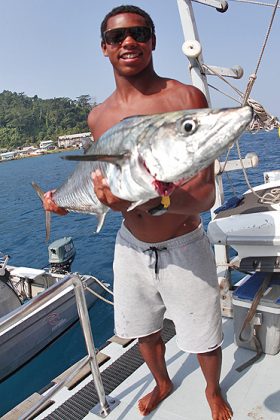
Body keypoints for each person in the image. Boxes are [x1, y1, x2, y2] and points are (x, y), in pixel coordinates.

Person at [43, 5, 233, 419]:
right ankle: (163, 382)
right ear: (104, 49)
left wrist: (148, 200)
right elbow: (101, 189)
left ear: (152, 40)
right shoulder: (99, 117)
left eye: (139, 33)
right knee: (143, 330)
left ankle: (214, 391)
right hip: (130, 247)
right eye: (117, 37)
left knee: (203, 333)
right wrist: (62, 204)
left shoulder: (184, 98)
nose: (128, 41)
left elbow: (203, 196)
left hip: (183, 242)